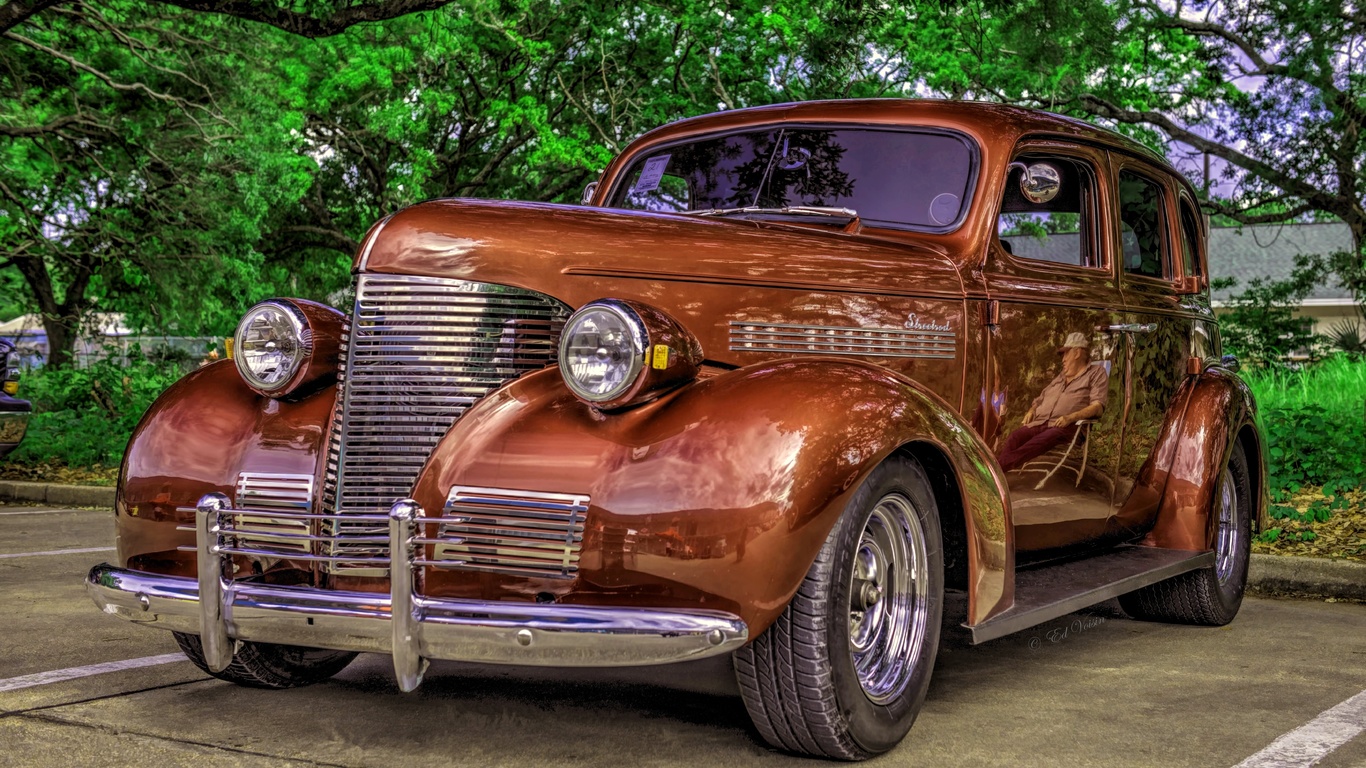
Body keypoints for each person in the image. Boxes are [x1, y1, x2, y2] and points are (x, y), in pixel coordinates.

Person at [997, 332, 1108, 473]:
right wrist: (1031, 410)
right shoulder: (1061, 377)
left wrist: (1070, 417)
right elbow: (1040, 398)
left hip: (1066, 427)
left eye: (1065, 354)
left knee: (1039, 441)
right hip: (1041, 422)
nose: (1063, 359)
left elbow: (1097, 407)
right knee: (1015, 437)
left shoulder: (1096, 373)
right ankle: (1000, 471)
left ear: (1077, 353)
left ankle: (995, 471)